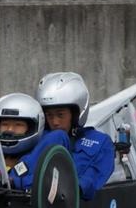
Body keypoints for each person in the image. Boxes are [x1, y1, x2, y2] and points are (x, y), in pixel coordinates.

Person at [36, 72, 114, 201]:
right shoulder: (37, 138)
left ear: (75, 114)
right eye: (49, 115)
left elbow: (94, 176)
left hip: (68, 205)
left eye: (60, 115)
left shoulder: (99, 142)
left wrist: (73, 187)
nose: (55, 122)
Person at [0, 93, 70, 191]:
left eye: (18, 125)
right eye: (5, 124)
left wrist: (11, 181)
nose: (9, 130)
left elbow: (46, 182)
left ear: (31, 128)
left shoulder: (45, 146)